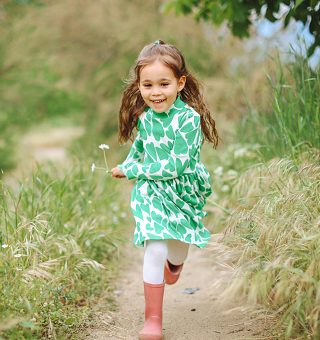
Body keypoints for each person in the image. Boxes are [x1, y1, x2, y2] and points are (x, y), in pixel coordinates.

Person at [110, 39, 219, 340]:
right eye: (147, 85)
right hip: (151, 193)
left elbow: (177, 166)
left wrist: (134, 170)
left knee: (176, 249)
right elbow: (140, 150)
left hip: (182, 193)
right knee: (155, 246)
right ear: (139, 86)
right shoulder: (145, 119)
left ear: (180, 83)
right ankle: (153, 321)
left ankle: (176, 263)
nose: (155, 92)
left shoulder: (189, 120)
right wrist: (126, 164)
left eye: (163, 84)